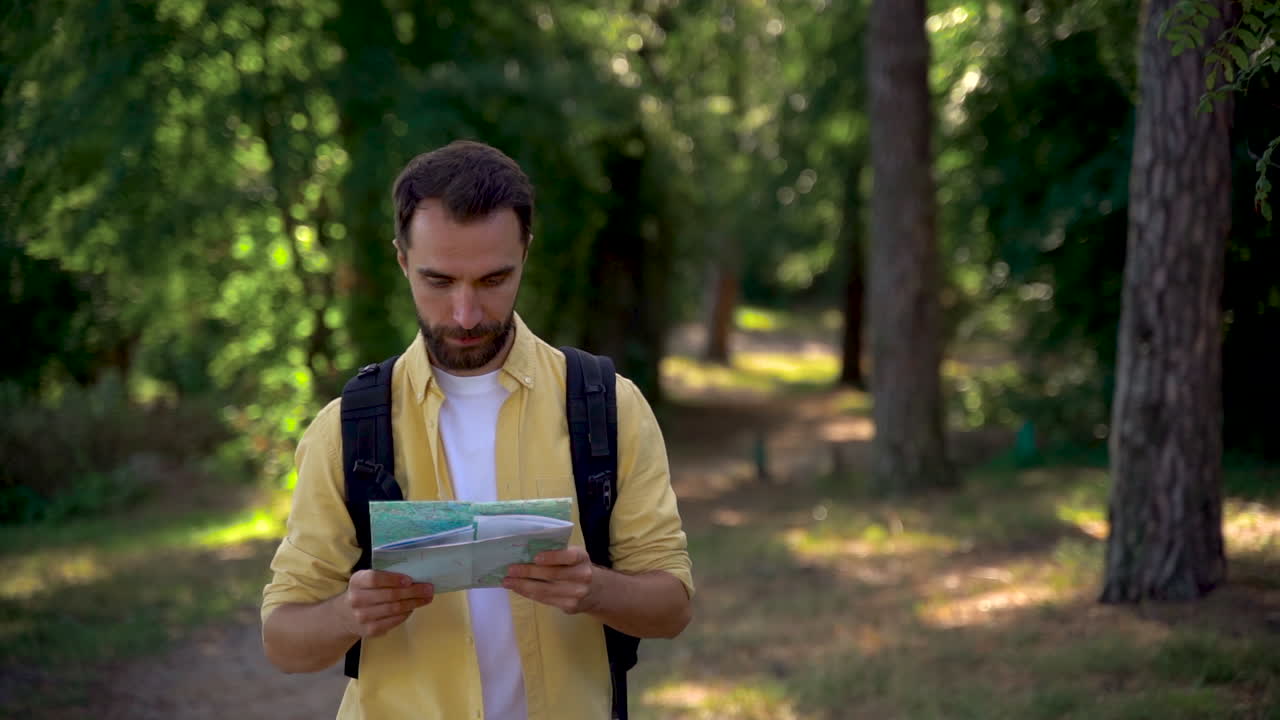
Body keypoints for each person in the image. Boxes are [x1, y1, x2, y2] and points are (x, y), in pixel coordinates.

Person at [261, 140, 694, 720]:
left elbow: (672, 606)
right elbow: (283, 640)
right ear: (402, 262)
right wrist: (346, 615)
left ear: (526, 255)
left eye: (493, 280)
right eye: (438, 282)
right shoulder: (346, 428)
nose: (465, 314)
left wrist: (594, 588)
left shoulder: (607, 406)